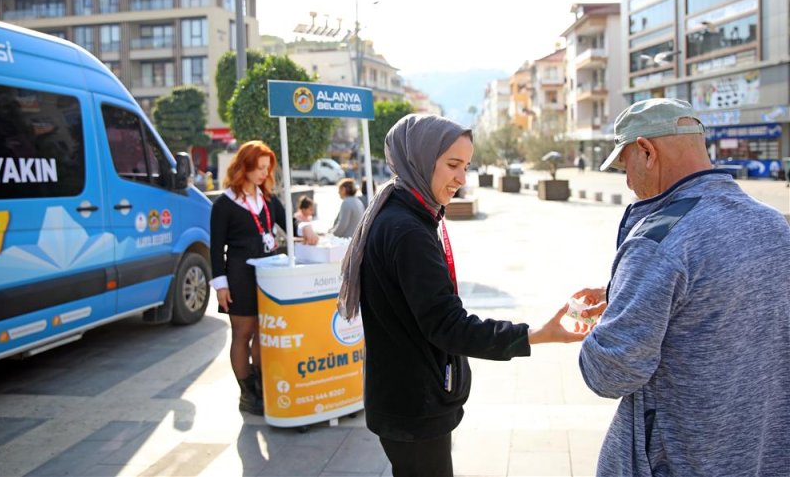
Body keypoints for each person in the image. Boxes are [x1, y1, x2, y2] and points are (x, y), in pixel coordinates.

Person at [337, 114, 586, 477]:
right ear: (420, 159)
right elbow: (447, 324)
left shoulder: (402, 213)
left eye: (466, 166)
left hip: (404, 398)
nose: (462, 178)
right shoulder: (408, 230)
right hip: (414, 406)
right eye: (453, 165)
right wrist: (531, 335)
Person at [574, 98, 790, 476]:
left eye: (625, 165)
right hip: (762, 454)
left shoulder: (659, 238)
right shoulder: (773, 225)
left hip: (678, 460)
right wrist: (623, 295)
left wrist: (605, 325)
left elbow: (610, 373)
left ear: (646, 151)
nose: (626, 180)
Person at [210, 140, 318, 415]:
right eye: (258, 168)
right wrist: (220, 285)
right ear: (243, 167)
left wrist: (305, 226)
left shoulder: (268, 199)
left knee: (263, 332)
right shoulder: (224, 204)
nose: (263, 173)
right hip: (239, 276)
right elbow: (215, 248)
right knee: (242, 334)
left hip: (269, 277)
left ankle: (262, 388)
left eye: (266, 169)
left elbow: (290, 222)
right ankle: (247, 395)